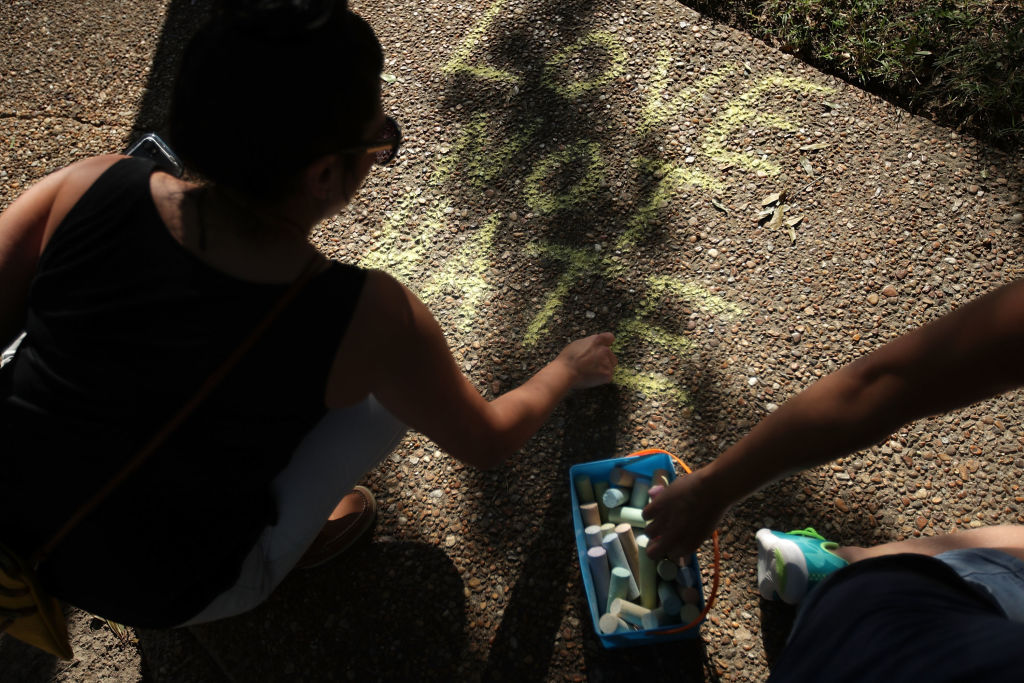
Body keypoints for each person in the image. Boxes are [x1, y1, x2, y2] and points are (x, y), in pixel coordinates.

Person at [0, 0, 616, 630]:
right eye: (380, 140)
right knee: (387, 398)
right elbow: (485, 442)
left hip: (11, 530)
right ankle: (278, 552)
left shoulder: (87, 184)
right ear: (323, 173)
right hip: (170, 593)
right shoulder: (367, 316)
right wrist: (565, 371)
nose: (380, 152)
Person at [640, 278, 1024, 678]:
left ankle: (840, 566)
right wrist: (709, 491)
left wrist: (712, 489)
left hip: (870, 624)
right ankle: (841, 567)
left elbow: (882, 384)